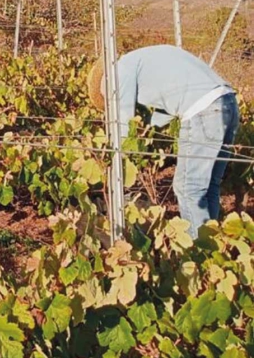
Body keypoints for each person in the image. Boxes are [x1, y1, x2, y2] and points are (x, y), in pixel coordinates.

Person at [88, 45, 239, 238]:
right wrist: (148, 129)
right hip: (227, 102)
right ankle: (214, 246)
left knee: (188, 188)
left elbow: (122, 123)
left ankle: (199, 253)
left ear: (104, 85)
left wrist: (113, 163)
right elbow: (166, 111)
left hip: (202, 110)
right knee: (209, 184)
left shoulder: (118, 73)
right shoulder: (143, 60)